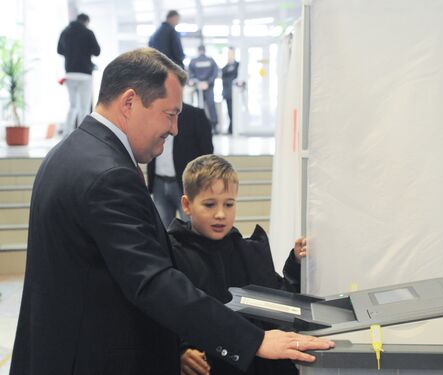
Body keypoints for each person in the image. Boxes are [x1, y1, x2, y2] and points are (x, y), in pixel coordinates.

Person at [9, 48, 334, 375]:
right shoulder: (110, 174)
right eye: (170, 114)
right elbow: (152, 282)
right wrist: (254, 340)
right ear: (130, 102)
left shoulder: (72, 151)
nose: (176, 129)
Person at [168, 154, 307, 375]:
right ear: (187, 204)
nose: (221, 214)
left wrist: (296, 263)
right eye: (210, 204)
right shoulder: (172, 255)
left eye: (229, 204)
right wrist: (180, 352)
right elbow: (162, 317)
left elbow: (280, 302)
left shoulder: (249, 252)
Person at [147, 103, 213, 227]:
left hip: (185, 183)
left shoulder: (195, 115)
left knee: (191, 230)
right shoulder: (153, 113)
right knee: (163, 232)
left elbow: (207, 153)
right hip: (159, 183)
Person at [57, 13, 100, 137]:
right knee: (84, 107)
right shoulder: (88, 33)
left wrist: (71, 55)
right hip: (85, 74)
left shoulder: (65, 32)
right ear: (86, 21)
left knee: (72, 105)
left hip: (70, 73)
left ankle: (67, 133)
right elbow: (97, 51)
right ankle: (83, 135)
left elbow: (59, 50)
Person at [188, 45, 219, 133]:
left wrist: (198, 82)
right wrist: (207, 82)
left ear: (198, 51)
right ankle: (214, 126)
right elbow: (215, 73)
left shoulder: (193, 61)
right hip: (206, 87)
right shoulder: (210, 60)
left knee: (200, 107)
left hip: (201, 87)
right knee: (210, 106)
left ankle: (201, 126)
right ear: (205, 51)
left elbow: (190, 73)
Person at [221, 47, 239, 134]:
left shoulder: (238, 65)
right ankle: (231, 128)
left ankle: (233, 128)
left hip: (235, 94)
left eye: (231, 53)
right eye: (228, 54)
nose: (229, 55)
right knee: (229, 112)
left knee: (234, 112)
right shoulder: (225, 67)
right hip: (227, 93)